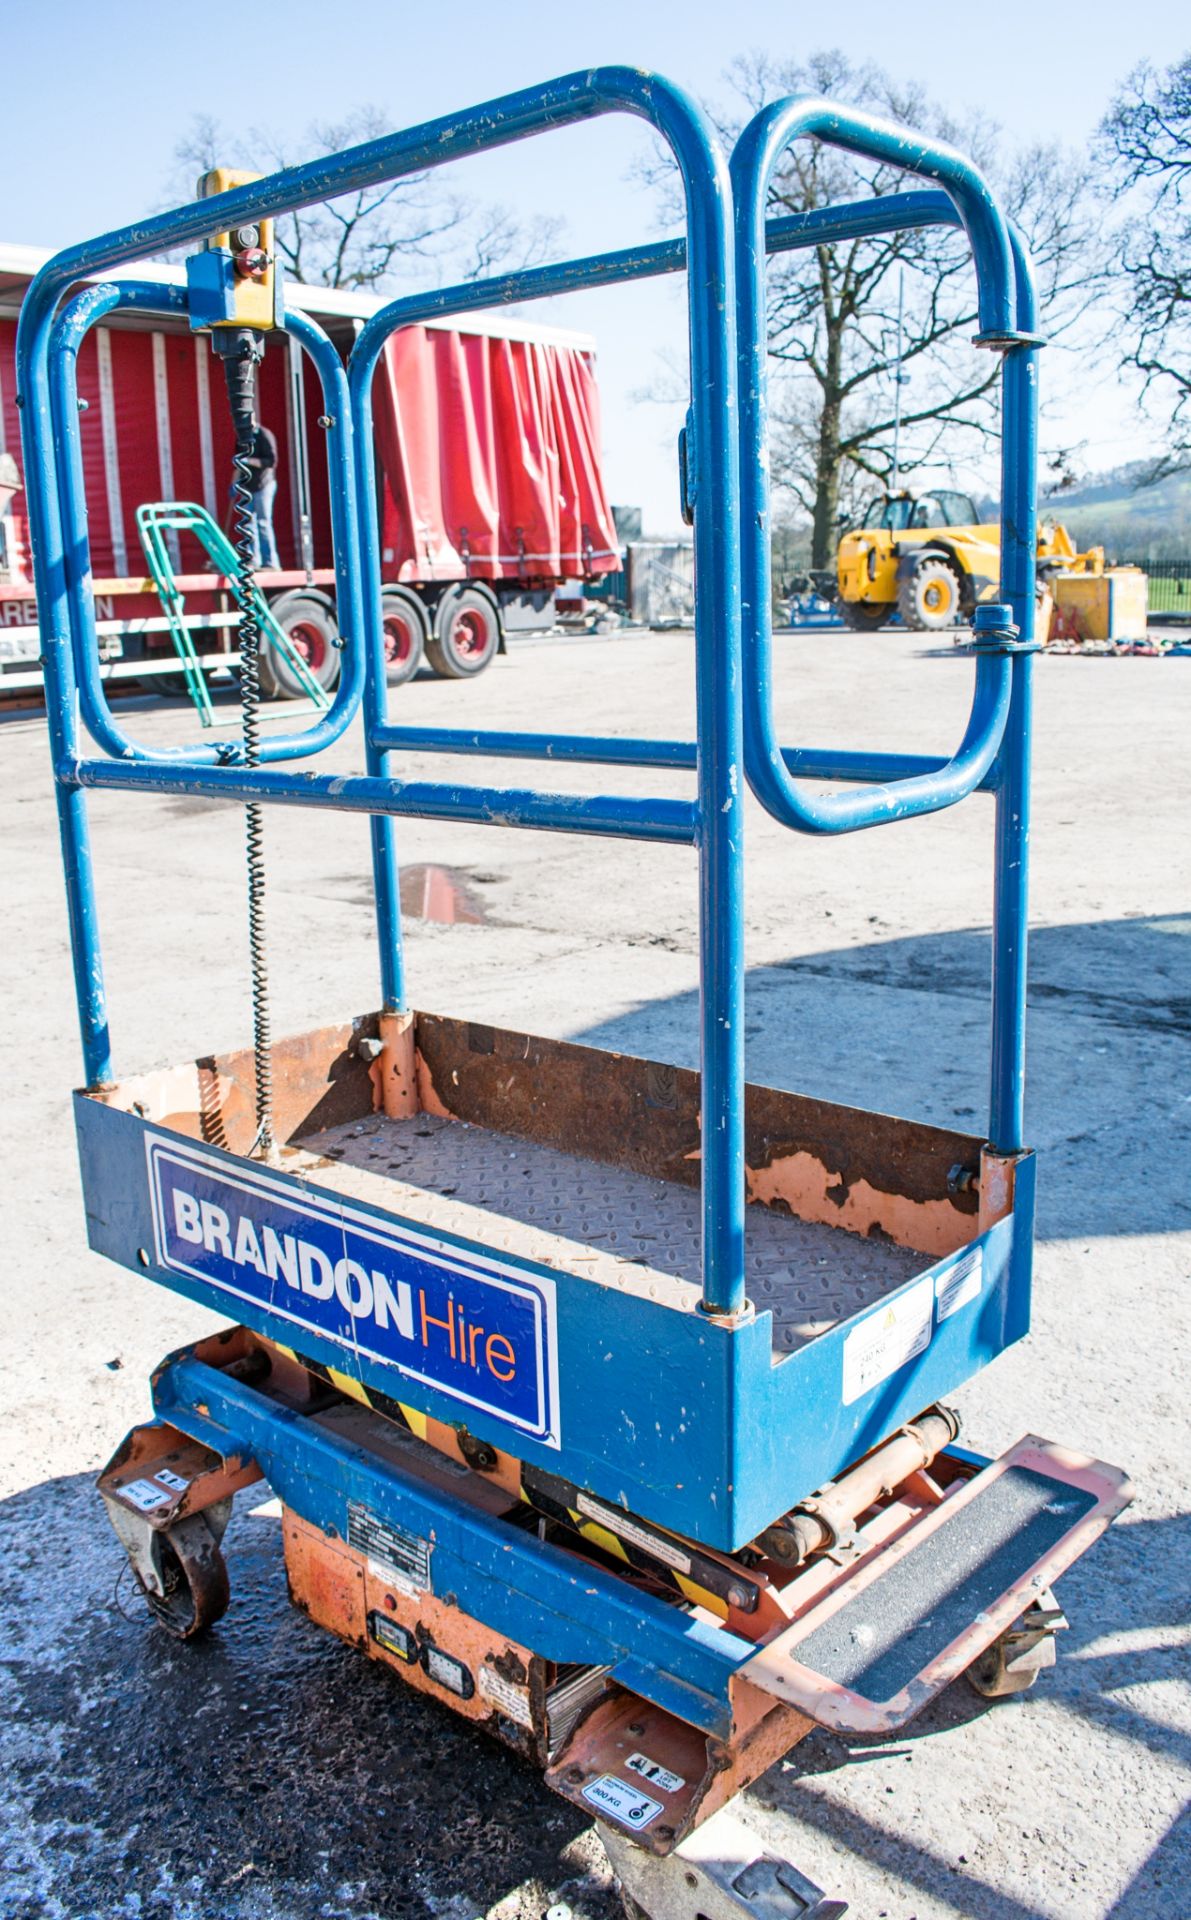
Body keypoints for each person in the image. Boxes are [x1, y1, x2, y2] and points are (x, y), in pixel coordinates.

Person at [238, 422, 279, 568]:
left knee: (263, 523)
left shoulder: (263, 434)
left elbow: (272, 461)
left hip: (264, 484)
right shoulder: (241, 437)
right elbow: (237, 462)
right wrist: (235, 483)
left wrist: (250, 461)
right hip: (248, 486)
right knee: (248, 523)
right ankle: (253, 560)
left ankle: (270, 562)